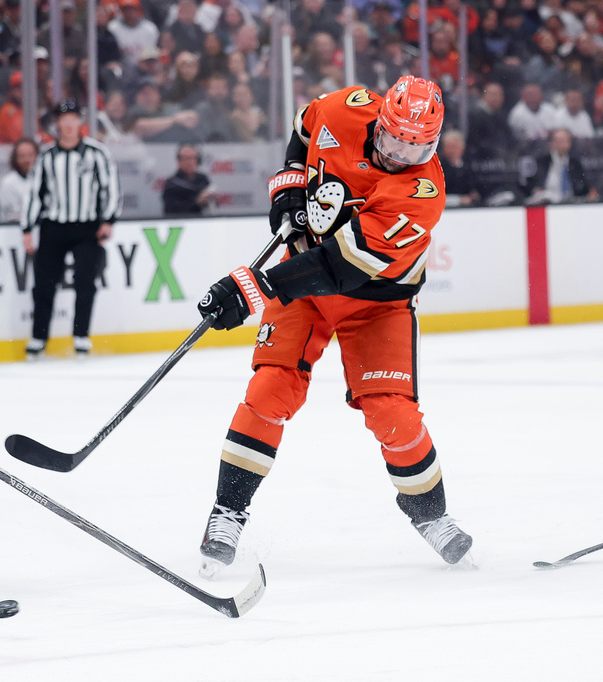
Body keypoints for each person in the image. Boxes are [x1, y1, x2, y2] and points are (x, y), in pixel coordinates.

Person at [194, 76, 473, 579]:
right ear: (380, 121)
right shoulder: (345, 107)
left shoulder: (422, 193)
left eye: (416, 149)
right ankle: (227, 512)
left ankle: (431, 515)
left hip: (376, 301)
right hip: (303, 286)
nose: (400, 157)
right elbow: (303, 131)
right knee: (269, 390)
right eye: (393, 142)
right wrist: (287, 190)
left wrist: (255, 287)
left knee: (394, 415)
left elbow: (341, 265)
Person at [21, 99, 121, 359]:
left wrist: (108, 221)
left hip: (87, 227)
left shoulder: (97, 153)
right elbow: (34, 193)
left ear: (80, 122)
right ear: (57, 123)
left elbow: (110, 188)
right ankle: (39, 337)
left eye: (73, 119)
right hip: (54, 227)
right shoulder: (46, 156)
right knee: (44, 284)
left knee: (85, 282)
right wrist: (27, 228)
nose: (68, 125)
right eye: (63, 120)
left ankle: (81, 335)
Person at [522, 127, 597, 204]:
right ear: (551, 143)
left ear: (569, 143)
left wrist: (589, 194)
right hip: (547, 203)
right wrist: (535, 191)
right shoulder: (542, 162)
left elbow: (582, 187)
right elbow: (529, 183)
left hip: (571, 204)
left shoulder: (575, 164)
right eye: (556, 140)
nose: (559, 144)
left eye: (562, 140)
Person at [162, 144, 217, 215]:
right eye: (187, 158)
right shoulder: (172, 184)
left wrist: (213, 197)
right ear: (179, 161)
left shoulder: (202, 179)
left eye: (194, 158)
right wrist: (197, 202)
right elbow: (172, 211)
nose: (190, 162)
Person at [0, 137, 38, 221]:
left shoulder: (44, 180)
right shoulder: (8, 183)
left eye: (30, 155)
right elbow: (11, 216)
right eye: (22, 156)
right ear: (15, 158)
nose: (27, 160)